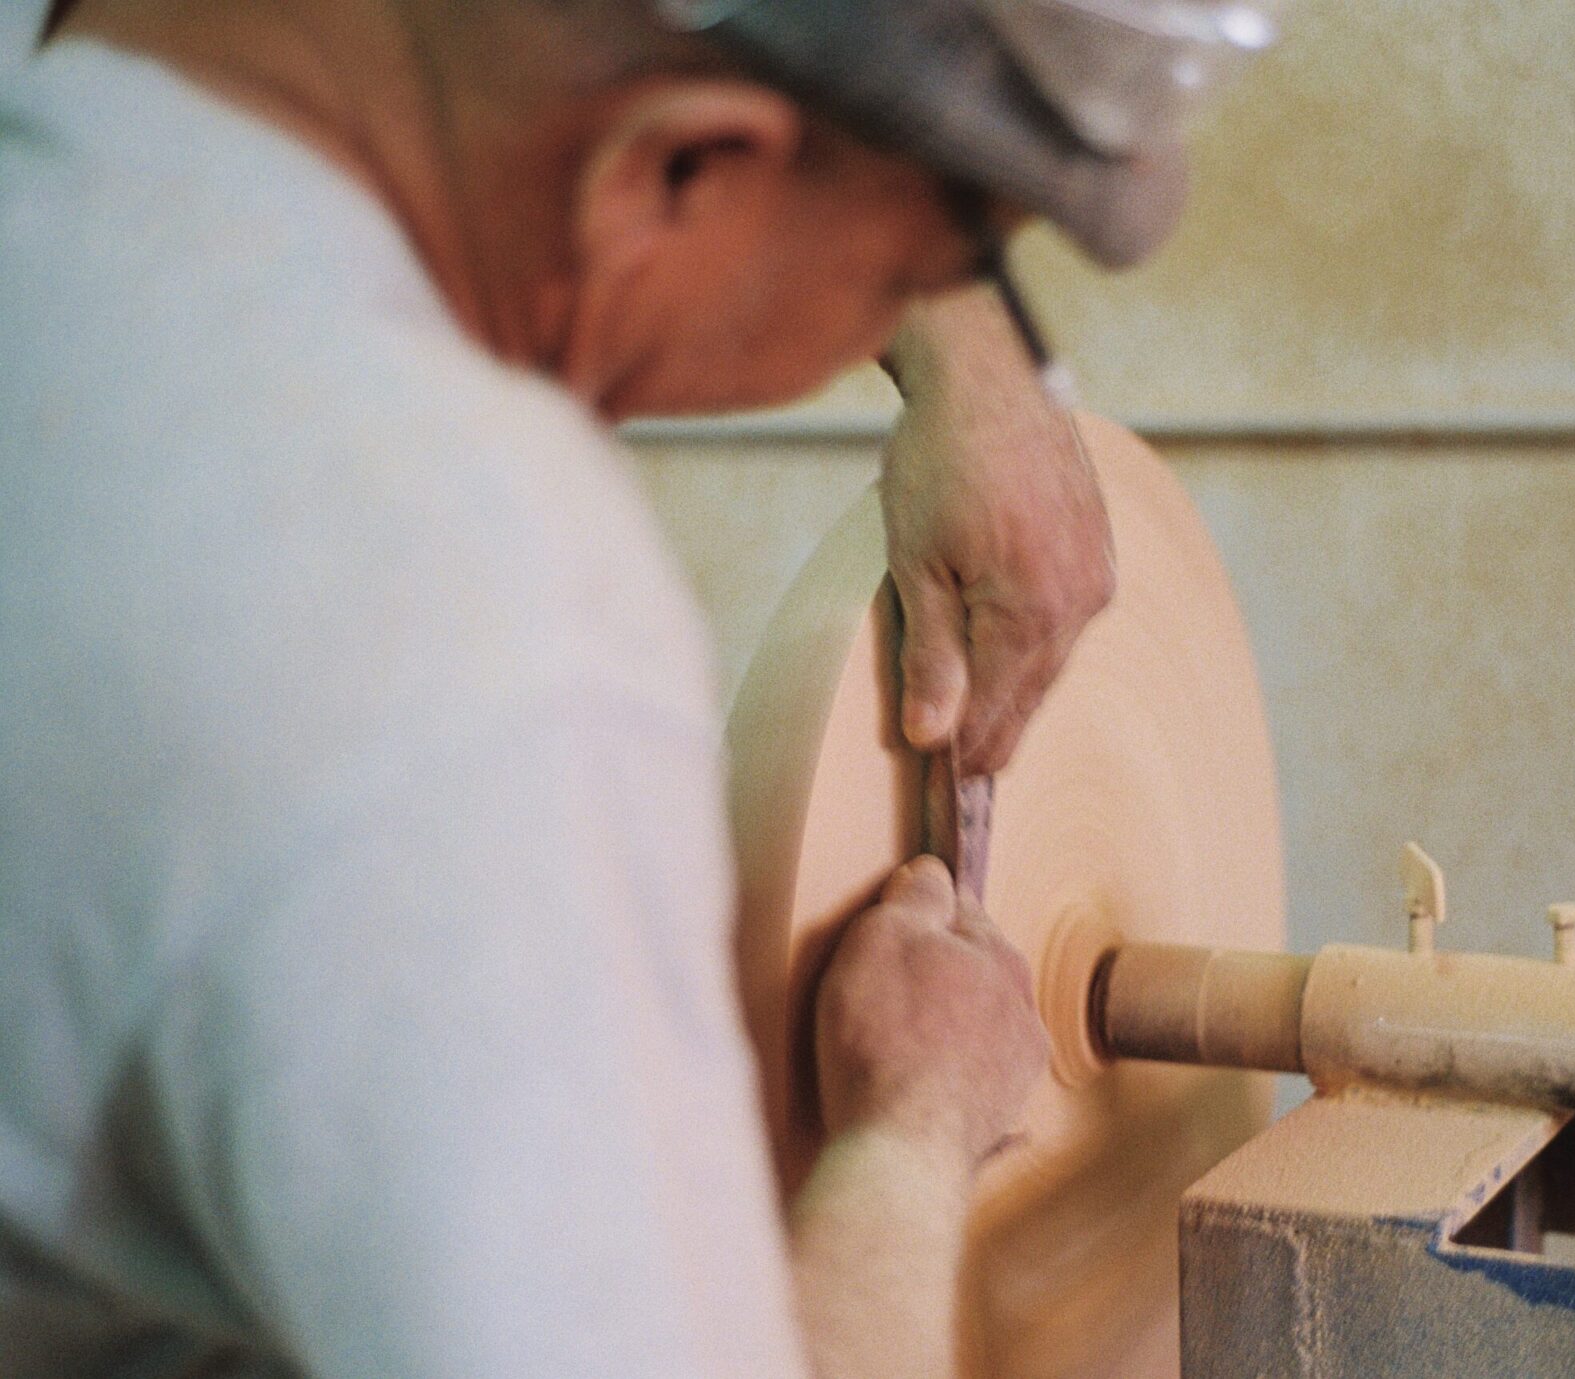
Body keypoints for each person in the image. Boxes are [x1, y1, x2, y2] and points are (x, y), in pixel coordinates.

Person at [0, 0, 1271, 1375]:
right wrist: (909, 1138)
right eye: (900, 280)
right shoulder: (465, 621)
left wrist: (971, 349)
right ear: (679, 167)